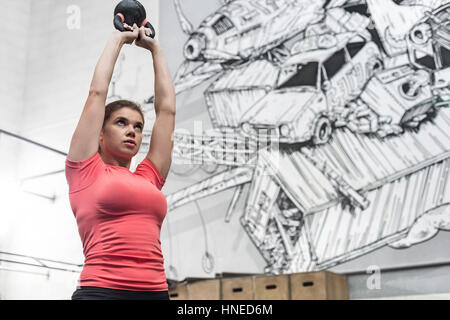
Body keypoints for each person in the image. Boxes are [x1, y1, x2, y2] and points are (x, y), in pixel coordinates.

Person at [65, 23, 176, 300]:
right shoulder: (85, 170)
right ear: (100, 134)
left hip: (155, 293)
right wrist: (117, 40)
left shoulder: (148, 176)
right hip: (102, 292)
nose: (132, 131)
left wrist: (156, 50)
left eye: (138, 127)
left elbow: (167, 112)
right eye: (121, 123)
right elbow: (96, 94)